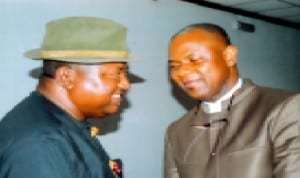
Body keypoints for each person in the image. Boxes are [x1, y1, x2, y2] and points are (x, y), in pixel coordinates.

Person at [0, 16, 134, 178]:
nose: (126, 84)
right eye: (117, 73)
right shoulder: (41, 146)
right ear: (66, 77)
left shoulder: (61, 125)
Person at [164, 23, 300, 178]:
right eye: (175, 66)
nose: (182, 72)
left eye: (194, 60)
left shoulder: (283, 109)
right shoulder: (176, 131)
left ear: (229, 56)